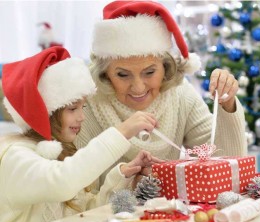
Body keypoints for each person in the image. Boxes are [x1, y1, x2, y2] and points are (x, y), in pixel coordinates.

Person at [75, 0, 247, 187]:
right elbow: (78, 194)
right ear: (104, 73)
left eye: (149, 72)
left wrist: (227, 103)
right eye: (123, 75)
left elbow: (225, 162)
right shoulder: (84, 106)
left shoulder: (180, 95)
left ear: (165, 67)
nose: (138, 87)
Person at [0, 46, 162, 222]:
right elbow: (61, 182)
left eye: (82, 108)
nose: (81, 117)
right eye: (72, 109)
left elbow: (86, 212)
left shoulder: (62, 152)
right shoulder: (13, 156)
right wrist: (121, 132)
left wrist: (123, 175)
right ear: (46, 112)